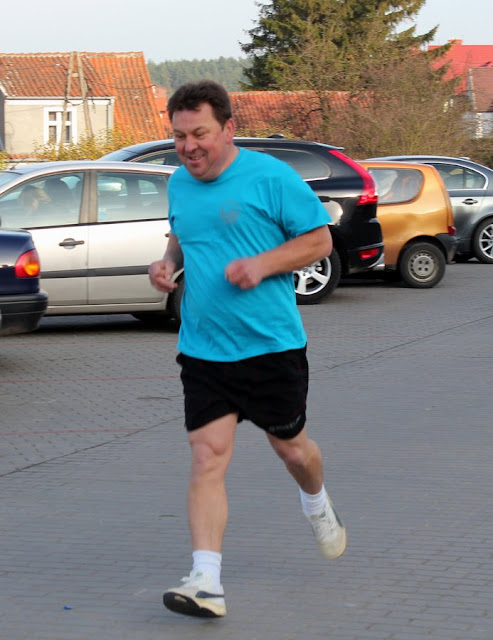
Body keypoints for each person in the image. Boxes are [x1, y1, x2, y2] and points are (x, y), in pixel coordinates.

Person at [148, 80, 346, 620]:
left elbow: (320, 241)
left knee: (292, 451)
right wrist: (167, 264)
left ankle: (316, 503)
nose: (188, 147)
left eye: (200, 134)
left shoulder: (271, 177)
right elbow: (183, 234)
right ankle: (205, 580)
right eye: (179, 136)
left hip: (269, 347)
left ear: (229, 128)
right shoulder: (179, 184)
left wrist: (262, 264)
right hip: (203, 349)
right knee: (206, 456)